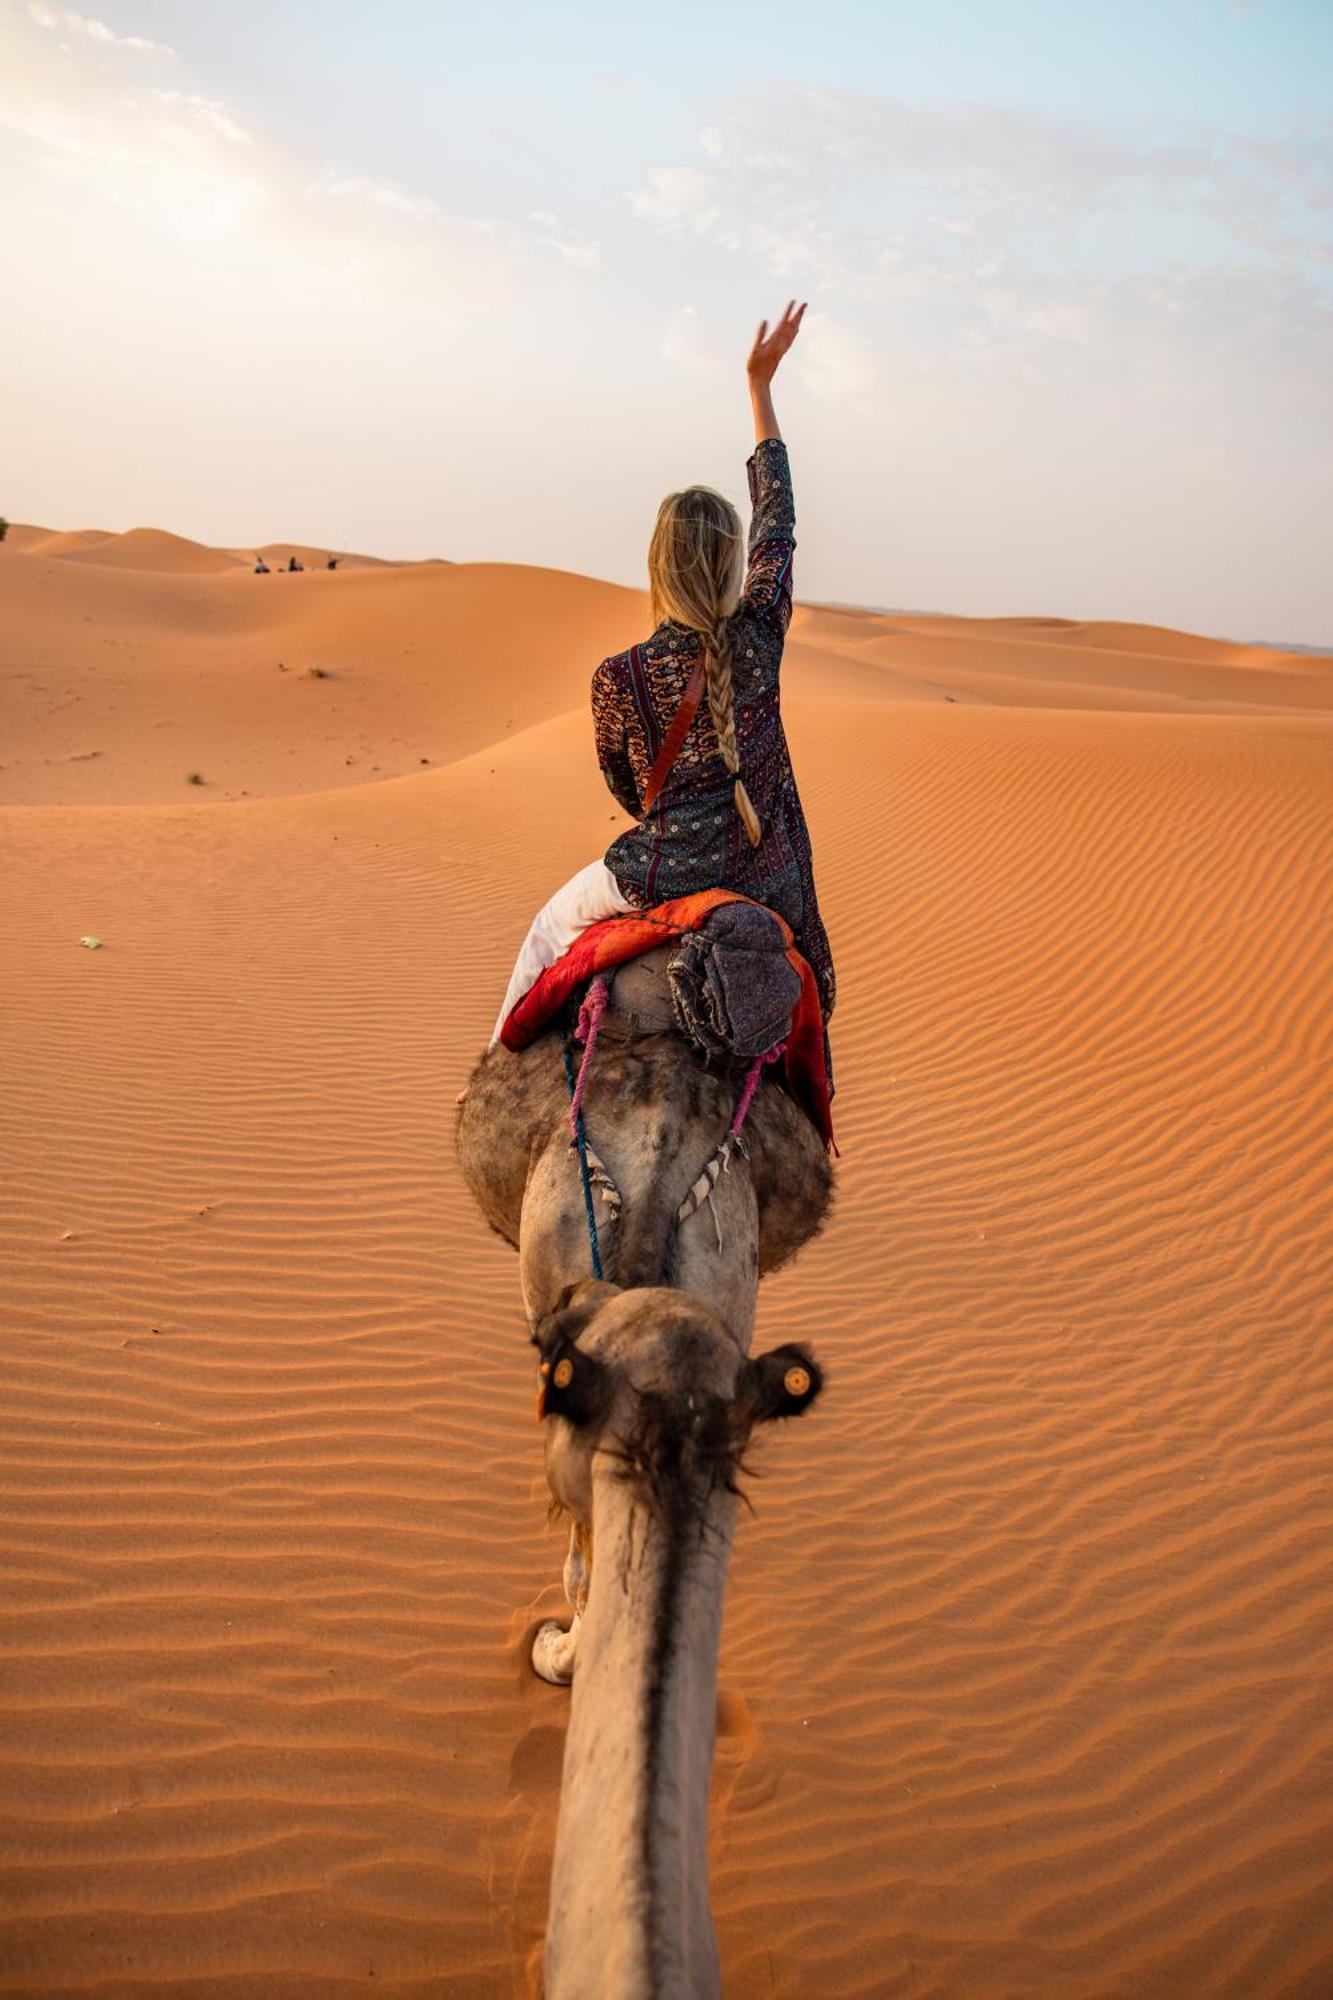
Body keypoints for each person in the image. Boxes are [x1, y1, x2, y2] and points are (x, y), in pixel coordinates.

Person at [481, 297, 835, 1088]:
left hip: (656, 873)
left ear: (655, 562)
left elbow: (626, 788)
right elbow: (779, 520)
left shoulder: (618, 677)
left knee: (547, 933)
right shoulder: (761, 635)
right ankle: (812, 1118)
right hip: (767, 875)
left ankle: (502, 1094)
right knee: (807, 989)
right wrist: (760, 390)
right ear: (733, 563)